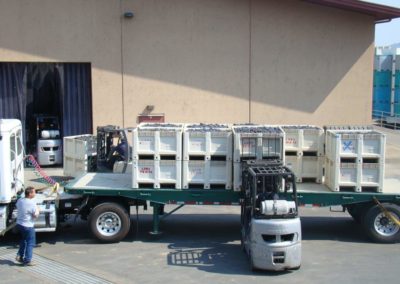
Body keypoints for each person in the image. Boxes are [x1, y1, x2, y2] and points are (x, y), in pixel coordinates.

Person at [15, 187, 39, 266]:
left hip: (19, 224)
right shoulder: (31, 203)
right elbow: (35, 215)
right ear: (30, 194)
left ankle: (19, 256)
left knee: (23, 240)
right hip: (28, 225)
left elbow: (18, 206)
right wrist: (38, 209)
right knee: (30, 243)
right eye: (34, 192)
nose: (35, 194)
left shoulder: (20, 200)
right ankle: (28, 260)